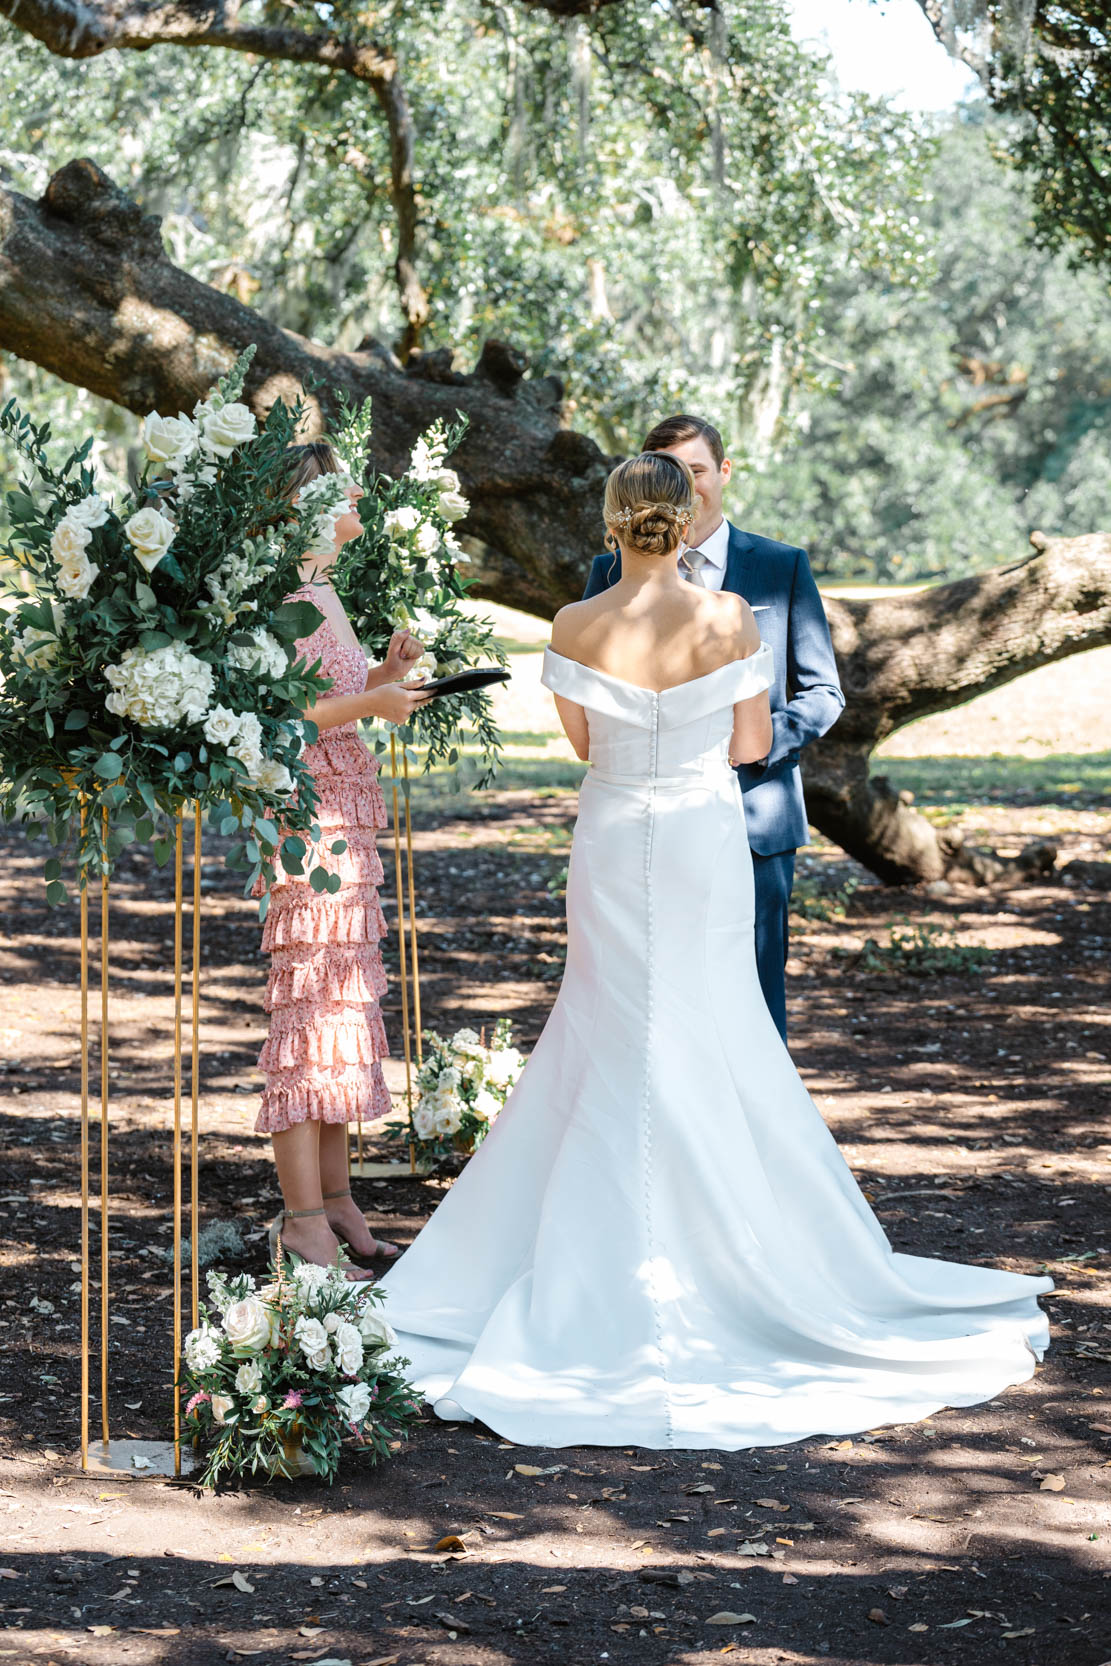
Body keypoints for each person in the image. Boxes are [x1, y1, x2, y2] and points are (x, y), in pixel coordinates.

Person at [378, 452, 1050, 1450]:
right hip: (699, 832)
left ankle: (593, 1254)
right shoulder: (730, 616)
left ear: (611, 522)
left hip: (612, 833)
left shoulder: (572, 624)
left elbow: (578, 745)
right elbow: (746, 745)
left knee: (606, 1023)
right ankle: (742, 1250)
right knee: (712, 1020)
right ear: (686, 516)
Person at [583, 415, 843, 1041]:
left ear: (723, 473)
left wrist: (749, 747)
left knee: (754, 991)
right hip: (646, 819)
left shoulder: (781, 566)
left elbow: (824, 692)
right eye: (671, 475)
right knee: (651, 990)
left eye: (696, 472)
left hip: (757, 813)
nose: (687, 488)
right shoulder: (606, 574)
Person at [259, 441, 431, 1278]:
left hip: (346, 812)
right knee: (306, 1022)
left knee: (338, 1016)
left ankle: (334, 1199)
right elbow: (278, 719)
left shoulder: (319, 586)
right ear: (306, 501)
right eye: (342, 484)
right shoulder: (273, 593)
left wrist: (381, 673)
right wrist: (372, 700)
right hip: (308, 822)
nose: (359, 493)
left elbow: (326, 687)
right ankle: (301, 1220)